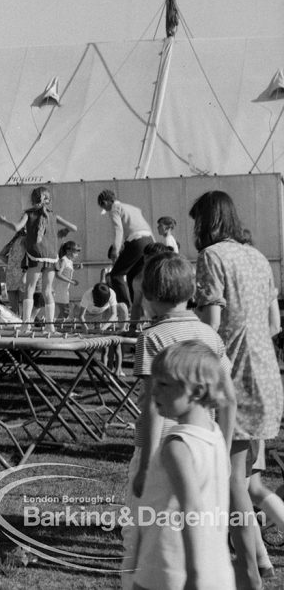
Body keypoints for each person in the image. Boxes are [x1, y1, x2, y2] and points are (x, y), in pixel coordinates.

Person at [120, 253, 235, 589]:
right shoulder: (209, 335)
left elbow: (152, 406)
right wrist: (223, 447)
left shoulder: (151, 337)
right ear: (191, 292)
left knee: (146, 519)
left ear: (149, 296)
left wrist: (142, 467)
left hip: (164, 445)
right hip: (205, 439)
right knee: (200, 513)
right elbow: (228, 396)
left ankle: (142, 578)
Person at [190, 189, 282, 590]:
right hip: (266, 375)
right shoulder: (258, 257)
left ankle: (248, 573)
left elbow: (211, 326)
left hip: (234, 377)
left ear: (207, 222)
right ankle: (258, 560)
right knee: (244, 480)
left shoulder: (212, 258)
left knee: (230, 480)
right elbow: (276, 323)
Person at [131, 341, 234, 590]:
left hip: (171, 572)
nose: (153, 393)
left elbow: (193, 511)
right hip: (217, 567)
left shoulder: (178, 446)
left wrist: (194, 575)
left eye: (164, 385)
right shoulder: (214, 434)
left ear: (196, 391)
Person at [0, 186, 77, 334]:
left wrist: (3, 222)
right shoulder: (53, 215)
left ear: (32, 199)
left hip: (36, 255)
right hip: (51, 256)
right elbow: (74, 228)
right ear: (48, 200)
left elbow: (16, 227)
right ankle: (50, 326)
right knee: (47, 291)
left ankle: (25, 325)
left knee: (29, 289)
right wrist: (62, 232)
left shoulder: (29, 214)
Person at [97, 189, 154, 326]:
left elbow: (119, 229)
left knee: (115, 275)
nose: (106, 209)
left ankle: (126, 308)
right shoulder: (133, 208)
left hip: (136, 240)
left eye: (103, 207)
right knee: (133, 277)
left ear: (105, 202)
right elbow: (146, 226)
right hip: (148, 240)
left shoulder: (114, 208)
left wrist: (116, 249)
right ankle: (138, 311)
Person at [53, 240, 81, 320]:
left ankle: (56, 327)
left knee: (64, 312)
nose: (77, 255)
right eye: (75, 252)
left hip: (64, 290)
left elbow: (66, 271)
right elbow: (58, 274)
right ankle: (55, 327)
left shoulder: (69, 261)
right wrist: (71, 281)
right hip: (59, 290)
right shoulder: (64, 260)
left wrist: (76, 268)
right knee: (65, 311)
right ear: (68, 251)